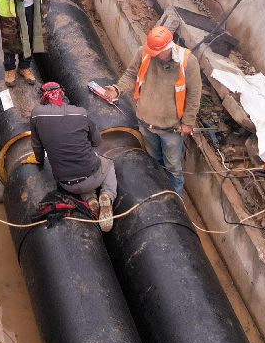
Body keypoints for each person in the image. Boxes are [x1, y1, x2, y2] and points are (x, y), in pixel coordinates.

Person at [95, 26, 199, 194]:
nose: (151, 54)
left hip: (171, 128)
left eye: (156, 52)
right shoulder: (144, 53)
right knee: (154, 161)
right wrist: (117, 89)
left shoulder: (187, 62)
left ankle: (176, 198)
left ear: (167, 48)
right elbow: (130, 74)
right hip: (146, 123)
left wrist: (188, 122)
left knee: (173, 167)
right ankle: (158, 192)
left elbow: (194, 94)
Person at [30, 81, 115, 232]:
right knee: (107, 163)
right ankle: (107, 195)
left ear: (44, 97)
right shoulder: (81, 112)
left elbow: (37, 146)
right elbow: (96, 142)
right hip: (92, 175)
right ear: (63, 95)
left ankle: (90, 199)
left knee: (76, 171)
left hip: (66, 184)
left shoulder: (36, 114)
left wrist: (39, 161)